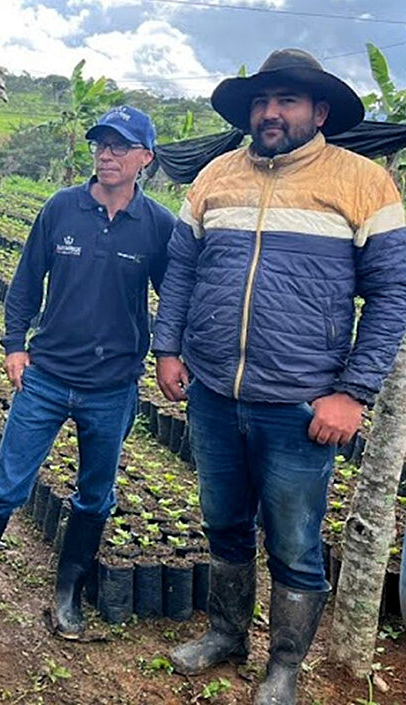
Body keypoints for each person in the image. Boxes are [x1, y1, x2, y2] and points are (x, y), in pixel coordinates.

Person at [152, 49, 406, 705]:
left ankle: (284, 667)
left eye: (287, 100)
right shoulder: (214, 176)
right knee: (224, 522)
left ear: (319, 111)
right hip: (213, 391)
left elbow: (391, 295)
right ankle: (226, 635)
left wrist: (353, 393)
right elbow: (181, 270)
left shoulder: (363, 182)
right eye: (262, 101)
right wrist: (168, 348)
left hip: (300, 403)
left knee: (294, 542)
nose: (271, 112)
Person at [0, 106, 175, 638]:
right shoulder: (61, 209)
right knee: (4, 488)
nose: (106, 153)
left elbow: (174, 296)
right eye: (101, 144)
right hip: (45, 377)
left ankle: (68, 597)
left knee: (96, 495)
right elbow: (25, 281)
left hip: (112, 387)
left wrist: (170, 351)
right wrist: (14, 346)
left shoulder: (159, 226)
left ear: (145, 158)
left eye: (120, 146)